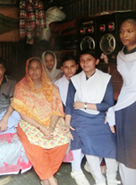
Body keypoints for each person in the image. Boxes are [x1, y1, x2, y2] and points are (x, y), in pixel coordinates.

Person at [64, 49, 120, 185]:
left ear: (96, 61)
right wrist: (67, 124)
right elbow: (70, 105)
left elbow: (108, 104)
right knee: (89, 145)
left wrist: (84, 105)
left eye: (89, 60)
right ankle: (99, 179)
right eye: (82, 60)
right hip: (80, 119)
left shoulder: (105, 78)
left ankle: (112, 179)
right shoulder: (75, 80)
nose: (85, 63)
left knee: (111, 145)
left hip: (99, 117)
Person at [11, 57, 69, 185]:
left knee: (62, 142)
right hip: (31, 122)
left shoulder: (51, 87)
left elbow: (56, 110)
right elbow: (22, 113)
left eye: (37, 68)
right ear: (27, 70)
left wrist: (52, 127)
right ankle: (51, 180)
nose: (34, 71)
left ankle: (45, 177)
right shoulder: (21, 87)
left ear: (42, 70)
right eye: (31, 68)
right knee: (35, 146)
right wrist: (40, 127)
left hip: (51, 121)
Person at [107, 19, 136, 185]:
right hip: (126, 103)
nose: (124, 35)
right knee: (126, 146)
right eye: (122, 31)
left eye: (130, 31)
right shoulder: (120, 55)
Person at [55, 54, 90, 185]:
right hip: (64, 116)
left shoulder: (84, 80)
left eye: (72, 67)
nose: (69, 70)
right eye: (66, 67)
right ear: (62, 68)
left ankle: (89, 164)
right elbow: (57, 108)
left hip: (81, 114)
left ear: (77, 67)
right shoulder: (56, 85)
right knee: (75, 132)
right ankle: (76, 169)